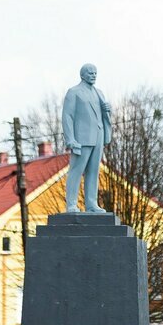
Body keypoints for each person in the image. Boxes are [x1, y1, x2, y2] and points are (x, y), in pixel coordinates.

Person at [62, 63, 111, 213]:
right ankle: (71, 204)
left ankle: (91, 204)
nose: (93, 75)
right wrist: (70, 138)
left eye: (95, 73)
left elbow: (102, 115)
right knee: (76, 170)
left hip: (98, 136)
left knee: (93, 171)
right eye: (90, 73)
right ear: (82, 75)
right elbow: (67, 116)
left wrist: (109, 111)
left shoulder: (99, 93)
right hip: (81, 138)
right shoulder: (74, 92)